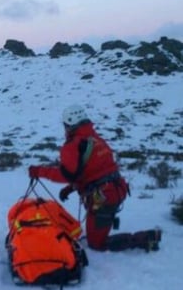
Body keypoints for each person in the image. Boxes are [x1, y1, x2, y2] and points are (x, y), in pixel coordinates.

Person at [28, 104, 162, 252]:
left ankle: (145, 239)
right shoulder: (95, 139)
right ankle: (108, 226)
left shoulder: (73, 145)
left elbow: (67, 174)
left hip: (104, 196)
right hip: (115, 189)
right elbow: (92, 171)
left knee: (97, 244)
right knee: (96, 231)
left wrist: (38, 171)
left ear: (68, 125)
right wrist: (70, 188)